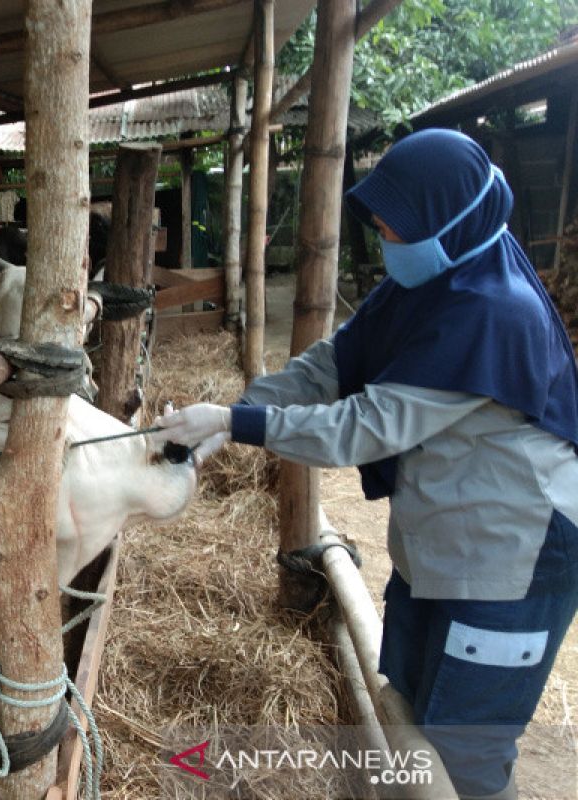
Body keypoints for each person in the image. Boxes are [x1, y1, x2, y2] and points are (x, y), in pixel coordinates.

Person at [152, 128, 578, 799]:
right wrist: (238, 413)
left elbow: (367, 426)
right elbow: (335, 362)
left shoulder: (496, 312)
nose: (386, 242)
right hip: (445, 543)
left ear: (451, 219)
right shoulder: (439, 274)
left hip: (511, 561)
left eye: (395, 229)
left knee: (465, 755)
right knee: (407, 704)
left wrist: (240, 423)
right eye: (381, 227)